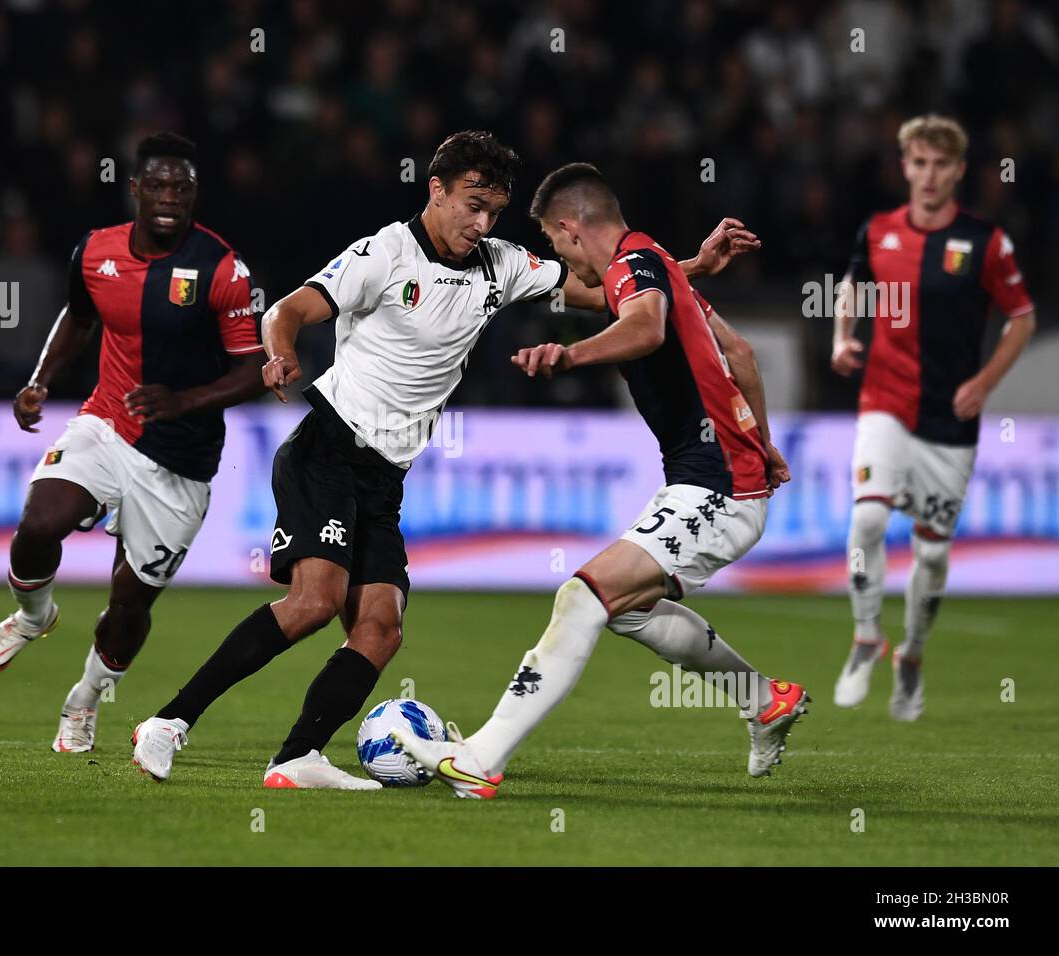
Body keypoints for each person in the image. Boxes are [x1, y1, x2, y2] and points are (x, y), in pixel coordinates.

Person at [130, 132, 761, 788]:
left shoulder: (503, 264)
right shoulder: (385, 253)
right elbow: (288, 309)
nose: (482, 222)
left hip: (383, 478)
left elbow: (608, 292)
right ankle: (169, 722)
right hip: (327, 450)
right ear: (436, 190)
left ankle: (296, 758)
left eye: (494, 211)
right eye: (472, 204)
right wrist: (280, 351)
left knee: (380, 629)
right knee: (314, 603)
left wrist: (691, 268)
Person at [392, 162, 804, 797]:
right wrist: (765, 443)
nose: (561, 261)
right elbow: (741, 355)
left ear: (569, 228)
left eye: (556, 246)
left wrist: (568, 352)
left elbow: (647, 328)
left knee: (580, 598)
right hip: (719, 478)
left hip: (716, 487)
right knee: (628, 613)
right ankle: (763, 698)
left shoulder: (633, 267)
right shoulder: (655, 265)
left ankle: (480, 760)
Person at [0, 132, 267, 753]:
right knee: (39, 522)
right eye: (157, 185)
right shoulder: (96, 250)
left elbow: (252, 370)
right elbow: (79, 315)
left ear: (193, 195)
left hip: (181, 461)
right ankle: (33, 617)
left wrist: (183, 401)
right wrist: (40, 381)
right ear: (135, 188)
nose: (169, 199)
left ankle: (84, 700)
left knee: (128, 603)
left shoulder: (223, 269)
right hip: (109, 421)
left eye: (181, 188)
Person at [831, 115, 1035, 721]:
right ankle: (867, 635)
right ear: (905, 167)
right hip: (885, 402)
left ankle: (912, 656)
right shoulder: (879, 231)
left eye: (940, 165)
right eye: (918, 163)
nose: (928, 175)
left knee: (933, 557)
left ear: (957, 171)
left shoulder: (986, 242)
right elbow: (852, 283)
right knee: (868, 519)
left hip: (950, 419)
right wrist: (843, 337)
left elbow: (1021, 316)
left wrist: (984, 382)